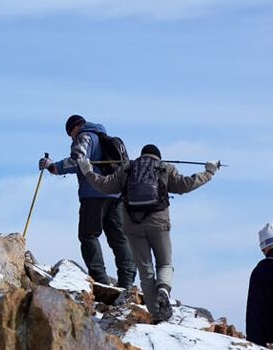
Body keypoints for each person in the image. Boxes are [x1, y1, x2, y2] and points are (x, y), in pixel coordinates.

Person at [77, 144, 218, 323]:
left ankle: (157, 316)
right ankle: (164, 289)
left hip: (132, 225)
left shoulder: (127, 168)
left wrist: (88, 171)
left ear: (142, 155)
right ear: (158, 157)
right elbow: (185, 185)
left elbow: (105, 186)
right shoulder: (165, 168)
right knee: (165, 264)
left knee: (146, 271)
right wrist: (208, 173)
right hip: (159, 223)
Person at [38, 115, 136, 289]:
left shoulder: (85, 136)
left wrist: (53, 167)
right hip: (115, 194)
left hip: (93, 194)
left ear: (75, 128)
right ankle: (127, 282)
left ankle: (100, 280)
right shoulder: (107, 138)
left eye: (70, 134)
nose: (71, 138)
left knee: (88, 235)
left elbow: (78, 161)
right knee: (119, 238)